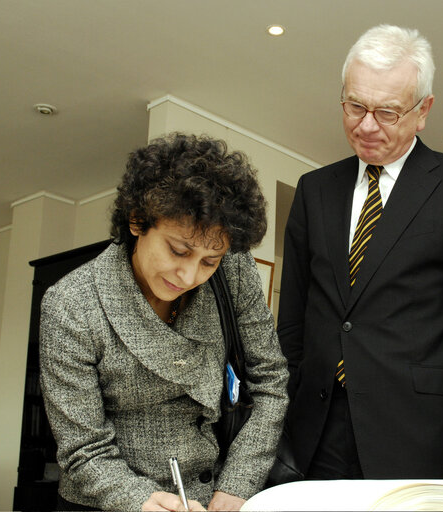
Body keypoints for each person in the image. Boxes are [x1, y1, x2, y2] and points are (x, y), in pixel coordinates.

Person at [277, 24, 443, 484]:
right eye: (355, 106)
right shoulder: (314, 190)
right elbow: (292, 323)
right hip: (314, 434)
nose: (366, 125)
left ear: (423, 110)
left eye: (387, 111)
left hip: (420, 436)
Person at [40, 134, 289, 511]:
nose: (189, 276)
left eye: (209, 261)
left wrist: (238, 484)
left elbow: (270, 382)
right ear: (138, 221)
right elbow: (83, 449)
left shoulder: (234, 272)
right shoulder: (71, 305)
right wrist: (138, 498)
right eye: (178, 250)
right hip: (110, 499)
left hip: (216, 494)